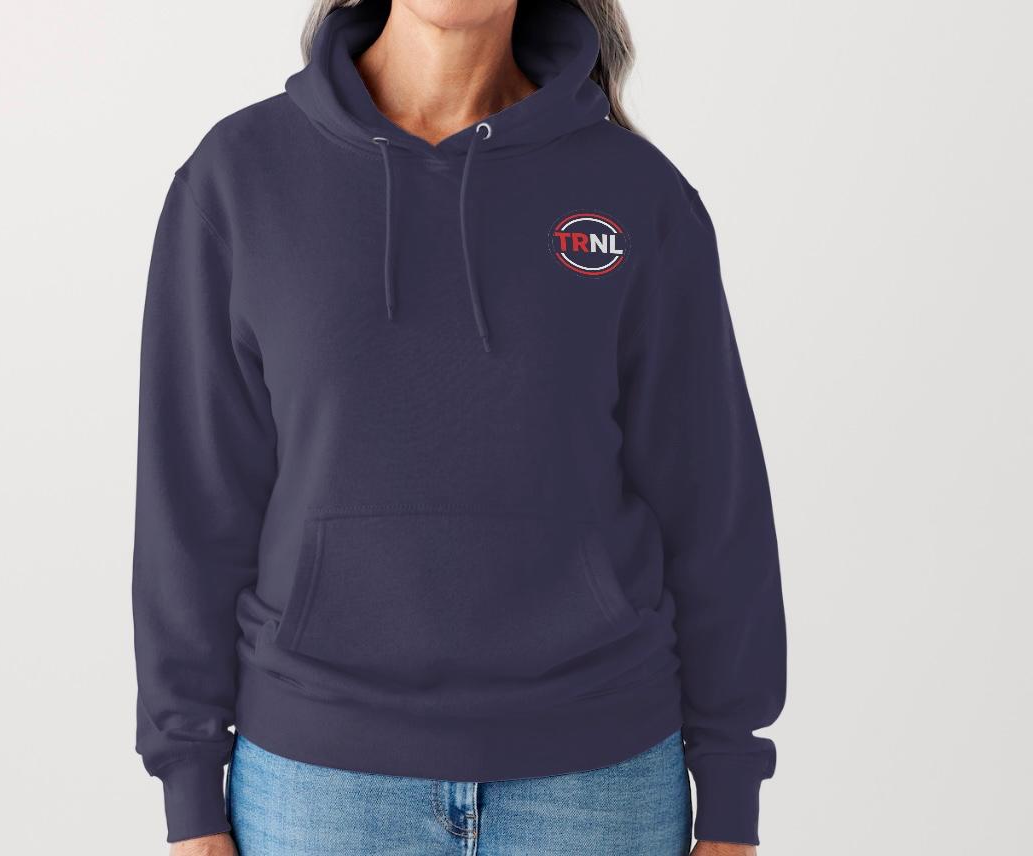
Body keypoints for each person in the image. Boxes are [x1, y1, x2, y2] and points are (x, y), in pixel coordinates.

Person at [132, 1, 786, 853]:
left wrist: (732, 792)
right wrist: (188, 788)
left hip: (598, 780)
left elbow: (712, 502)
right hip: (319, 786)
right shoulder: (240, 178)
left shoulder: (635, 191)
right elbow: (191, 504)